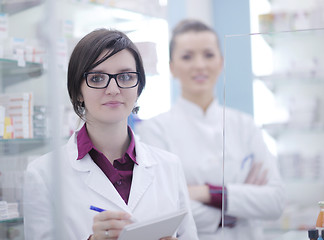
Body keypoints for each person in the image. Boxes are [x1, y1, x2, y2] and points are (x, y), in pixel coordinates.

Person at [23, 28, 198, 240]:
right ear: (78, 91)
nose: (113, 89)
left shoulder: (169, 166)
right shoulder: (43, 175)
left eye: (125, 76)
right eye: (97, 78)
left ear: (138, 87)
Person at [135, 19, 285, 240]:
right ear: (172, 67)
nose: (199, 65)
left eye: (208, 55)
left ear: (221, 62)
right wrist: (237, 208)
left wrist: (207, 193)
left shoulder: (245, 125)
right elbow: (164, 211)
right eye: (187, 56)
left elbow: (275, 201)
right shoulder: (154, 131)